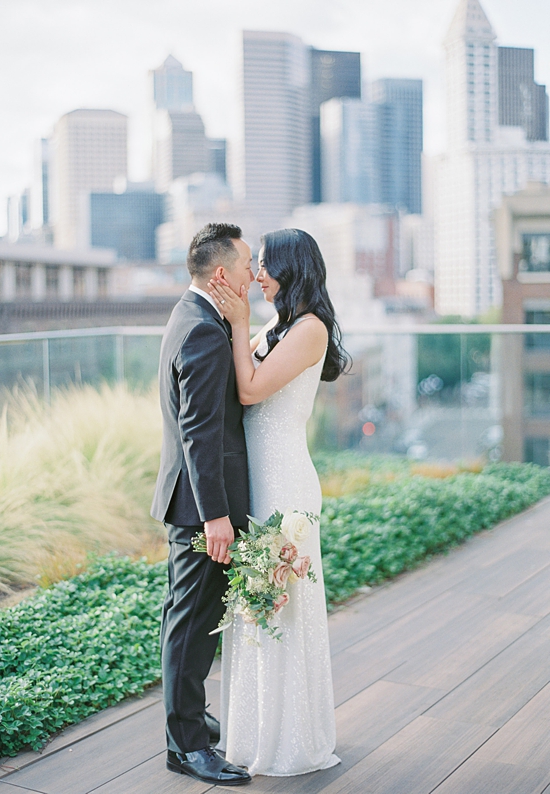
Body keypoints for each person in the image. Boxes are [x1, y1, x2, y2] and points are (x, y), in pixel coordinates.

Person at [206, 227, 349, 776]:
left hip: (285, 486)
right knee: (256, 606)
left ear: (293, 268)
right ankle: (258, 729)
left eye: (265, 265)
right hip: (260, 481)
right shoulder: (281, 323)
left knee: (280, 608)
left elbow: (250, 389)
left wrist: (240, 321)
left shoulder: (310, 329)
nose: (257, 274)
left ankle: (290, 739)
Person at [150, 223, 254, 786]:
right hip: (198, 509)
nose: (252, 276)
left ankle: (187, 721)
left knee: (184, 620)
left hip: (188, 502)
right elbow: (199, 431)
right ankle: (185, 745)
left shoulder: (189, 316)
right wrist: (215, 515)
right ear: (222, 275)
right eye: (246, 266)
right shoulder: (206, 334)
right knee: (191, 626)